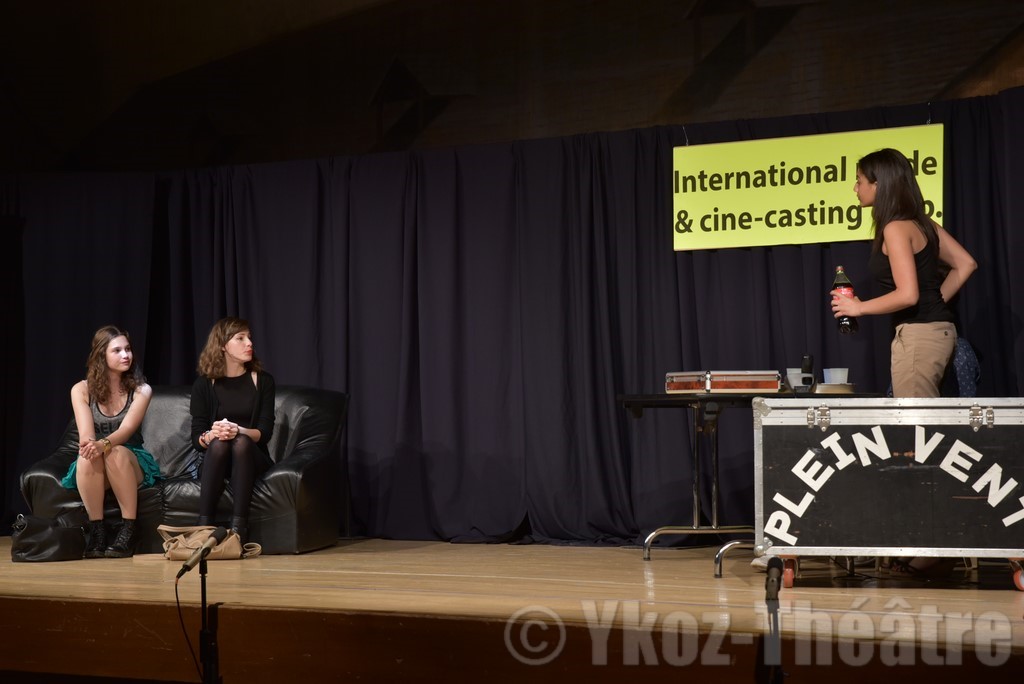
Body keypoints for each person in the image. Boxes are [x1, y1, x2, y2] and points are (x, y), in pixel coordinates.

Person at [831, 147, 977, 577]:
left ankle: (934, 550)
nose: (855, 187)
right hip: (936, 333)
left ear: (880, 184)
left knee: (920, 444)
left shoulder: (896, 227)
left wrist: (857, 309)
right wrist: (937, 305)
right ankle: (932, 543)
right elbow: (966, 264)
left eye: (860, 180)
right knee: (926, 438)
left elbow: (909, 296)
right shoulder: (923, 224)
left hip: (918, 339)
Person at [63, 325, 160, 558]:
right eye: (117, 351)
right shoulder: (81, 389)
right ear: (101, 356)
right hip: (98, 459)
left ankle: (129, 529)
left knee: (114, 452)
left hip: (130, 459)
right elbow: (86, 433)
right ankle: (97, 531)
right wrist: (92, 446)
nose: (126, 355)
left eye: (128, 349)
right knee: (86, 458)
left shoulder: (142, 390)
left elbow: (126, 431)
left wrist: (103, 445)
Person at [189, 317, 276, 544]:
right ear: (222, 346)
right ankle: (204, 525)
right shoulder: (204, 385)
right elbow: (196, 439)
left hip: (253, 457)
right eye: (240, 338)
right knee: (219, 444)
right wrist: (213, 434)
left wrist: (240, 430)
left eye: (249, 338)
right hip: (217, 459)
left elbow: (264, 432)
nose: (249, 343)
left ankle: (239, 527)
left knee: (241, 441)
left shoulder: (263, 381)